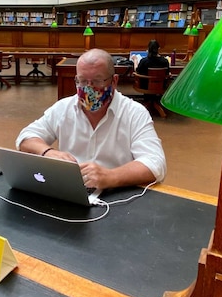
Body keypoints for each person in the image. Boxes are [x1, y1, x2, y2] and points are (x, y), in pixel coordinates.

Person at [16, 48, 166, 191]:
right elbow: (25, 138)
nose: (88, 88)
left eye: (97, 81)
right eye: (82, 81)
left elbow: (155, 163)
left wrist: (111, 176)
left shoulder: (134, 113)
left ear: (114, 81)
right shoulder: (63, 108)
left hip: (118, 193)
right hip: (72, 190)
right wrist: (48, 152)